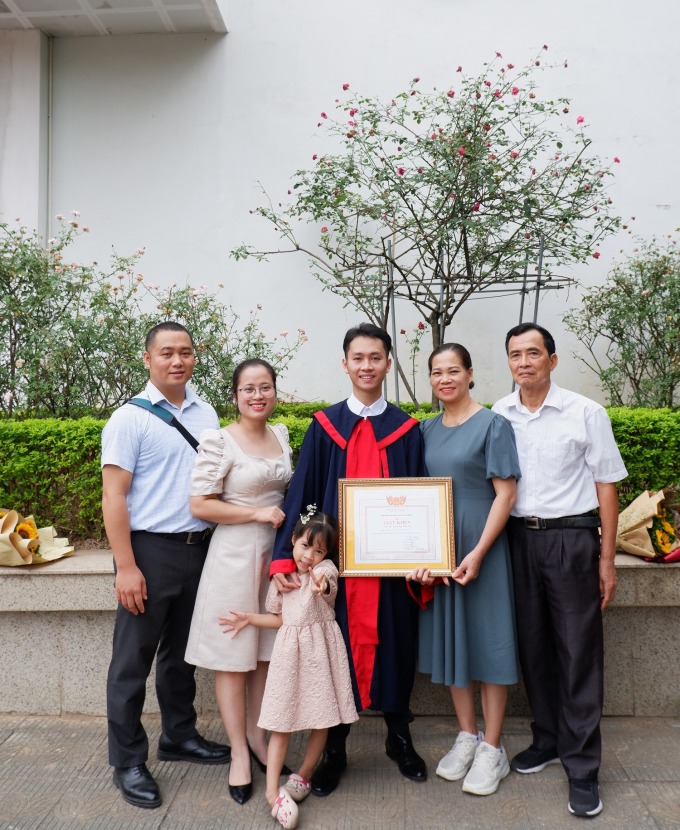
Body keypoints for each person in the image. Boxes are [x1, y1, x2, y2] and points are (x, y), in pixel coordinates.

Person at [270, 322, 428, 797]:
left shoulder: (406, 430)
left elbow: (420, 496)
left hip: (389, 569)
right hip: (331, 573)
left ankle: (399, 737)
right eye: (357, 358)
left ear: (387, 363)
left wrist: (425, 557)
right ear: (345, 364)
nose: (366, 366)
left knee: (397, 647)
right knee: (330, 657)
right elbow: (307, 497)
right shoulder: (324, 428)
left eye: (375, 358)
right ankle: (334, 748)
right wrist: (290, 557)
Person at [493, 322, 628, 819]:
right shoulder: (500, 414)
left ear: (552, 359)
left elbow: (606, 486)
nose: (524, 362)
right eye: (515, 355)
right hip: (517, 541)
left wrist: (606, 558)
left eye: (533, 353)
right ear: (508, 363)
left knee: (578, 652)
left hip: (571, 539)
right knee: (533, 646)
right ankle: (547, 738)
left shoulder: (585, 412)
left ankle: (583, 765)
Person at [102, 321, 231, 810]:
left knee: (181, 656)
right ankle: (128, 760)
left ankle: (179, 736)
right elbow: (113, 496)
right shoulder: (128, 419)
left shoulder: (206, 413)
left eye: (186, 352)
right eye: (167, 353)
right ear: (148, 358)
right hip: (150, 551)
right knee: (131, 662)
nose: (177, 361)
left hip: (200, 547)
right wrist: (125, 566)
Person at [407, 343, 521, 797]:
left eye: (453, 370)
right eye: (437, 373)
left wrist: (477, 552)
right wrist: (416, 555)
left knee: (489, 644)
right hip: (439, 550)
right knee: (452, 643)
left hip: (482, 549)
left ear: (470, 374)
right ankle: (467, 735)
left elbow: (506, 496)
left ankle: (493, 747)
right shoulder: (424, 429)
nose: (445, 379)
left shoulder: (494, 425)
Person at [185, 358, 292, 805]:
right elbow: (200, 505)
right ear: (234, 395)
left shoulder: (282, 434)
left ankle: (258, 736)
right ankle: (239, 755)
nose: (256, 395)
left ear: (274, 392)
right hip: (233, 556)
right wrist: (254, 513)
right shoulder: (219, 440)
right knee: (232, 656)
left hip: (275, 558)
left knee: (266, 653)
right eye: (247, 389)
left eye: (264, 387)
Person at [221, 511, 358, 830]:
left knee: (322, 718)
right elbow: (280, 619)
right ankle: (272, 794)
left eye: (319, 550)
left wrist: (318, 586)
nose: (310, 555)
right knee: (280, 721)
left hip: (321, 652)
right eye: (306, 545)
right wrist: (250, 619)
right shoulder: (281, 579)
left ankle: (304, 776)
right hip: (289, 654)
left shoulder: (325, 571)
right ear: (294, 540)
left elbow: (327, 586)